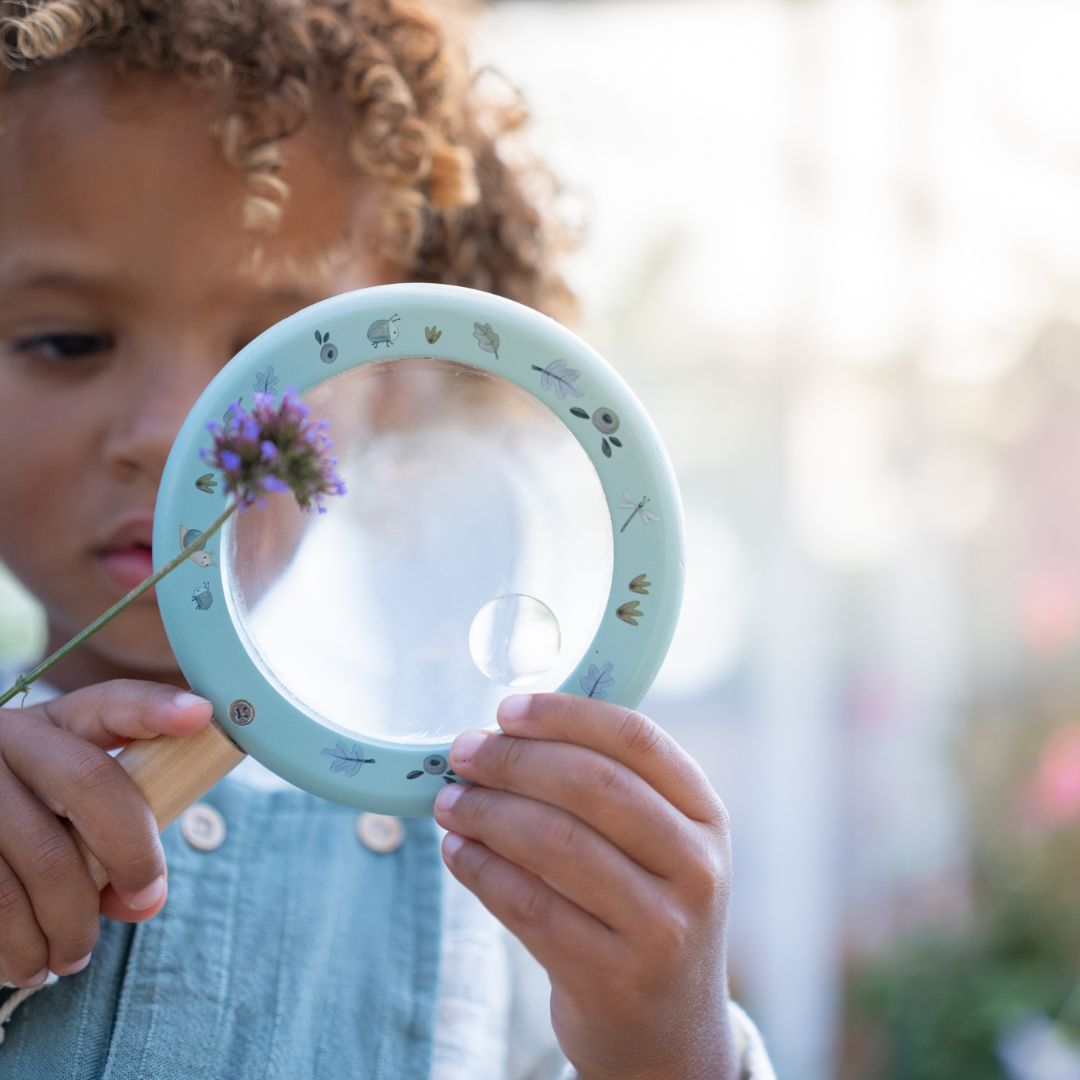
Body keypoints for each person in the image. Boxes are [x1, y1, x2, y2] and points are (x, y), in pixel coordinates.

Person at [0, 0, 774, 1076]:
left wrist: (667, 1040)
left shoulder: (507, 860)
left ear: (401, 393)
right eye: (70, 340)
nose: (173, 436)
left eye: (275, 357)